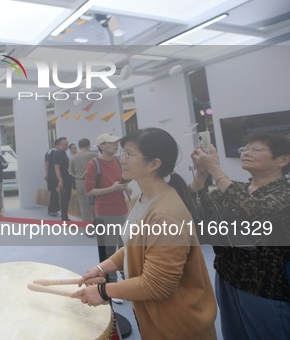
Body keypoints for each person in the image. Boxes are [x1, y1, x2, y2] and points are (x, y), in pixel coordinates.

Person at [73, 128, 217, 339]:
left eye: (128, 154)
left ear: (154, 164)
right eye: (122, 153)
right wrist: (102, 267)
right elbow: (132, 247)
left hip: (177, 322)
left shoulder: (166, 215)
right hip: (151, 314)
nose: (122, 160)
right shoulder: (140, 200)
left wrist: (104, 291)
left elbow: (157, 284)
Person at [190, 132, 290, 339]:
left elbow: (255, 210)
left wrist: (215, 169)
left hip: (264, 285)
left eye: (256, 149)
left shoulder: (284, 193)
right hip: (227, 276)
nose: (246, 153)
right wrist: (201, 174)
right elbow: (195, 207)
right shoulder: (236, 190)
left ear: (283, 159)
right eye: (245, 149)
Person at [85, 133, 130, 280]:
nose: (116, 145)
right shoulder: (94, 164)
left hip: (122, 209)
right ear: (102, 146)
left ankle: (125, 275)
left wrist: (124, 186)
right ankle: (111, 282)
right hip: (105, 212)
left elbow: (120, 180)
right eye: (112, 143)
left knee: (124, 247)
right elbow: (89, 191)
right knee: (109, 250)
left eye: (117, 142)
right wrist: (112, 188)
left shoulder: (117, 160)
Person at [68, 138, 96, 223]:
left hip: (79, 182)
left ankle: (88, 230)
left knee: (84, 206)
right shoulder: (94, 155)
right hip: (93, 182)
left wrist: (78, 175)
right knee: (96, 205)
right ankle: (99, 227)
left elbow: (70, 171)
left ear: (79, 147)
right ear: (89, 145)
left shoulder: (73, 158)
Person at [45, 137, 71, 220]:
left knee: (62, 197)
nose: (67, 145)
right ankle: (54, 211)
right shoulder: (54, 152)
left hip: (62, 177)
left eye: (67, 144)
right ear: (58, 144)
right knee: (54, 194)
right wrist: (47, 174)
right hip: (55, 177)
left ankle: (58, 211)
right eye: (65, 144)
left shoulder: (63, 153)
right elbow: (48, 163)